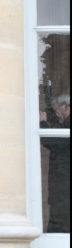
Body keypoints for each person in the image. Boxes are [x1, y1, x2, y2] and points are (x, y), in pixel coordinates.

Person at [39, 93, 70, 233]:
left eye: (55, 108)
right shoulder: (65, 125)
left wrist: (43, 123)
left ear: (66, 106)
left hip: (64, 188)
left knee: (59, 228)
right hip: (63, 188)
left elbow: (51, 141)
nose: (55, 113)